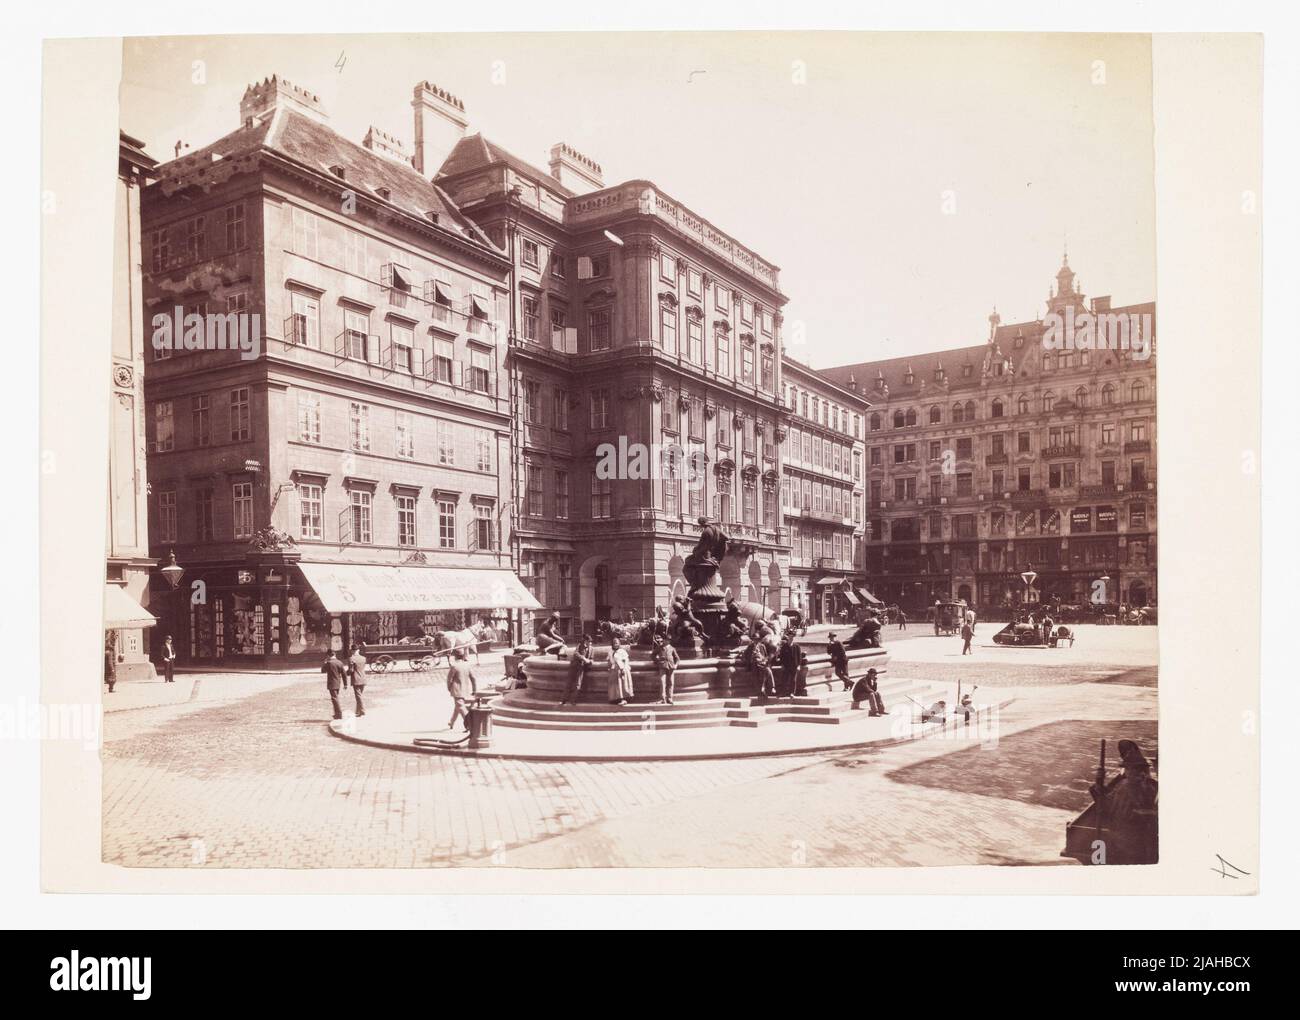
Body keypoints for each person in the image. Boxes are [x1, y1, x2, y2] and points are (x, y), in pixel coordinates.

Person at [446, 647, 477, 730]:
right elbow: (473, 678)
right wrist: (474, 690)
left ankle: (469, 724)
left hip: (456, 690)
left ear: (455, 656)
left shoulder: (454, 666)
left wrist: (449, 688)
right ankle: (451, 722)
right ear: (463, 656)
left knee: (461, 707)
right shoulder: (467, 665)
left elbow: (449, 679)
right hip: (465, 689)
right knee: (458, 706)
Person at [560, 636, 596, 706]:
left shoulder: (592, 649)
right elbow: (576, 654)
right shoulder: (580, 645)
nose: (590, 643)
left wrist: (590, 661)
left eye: (590, 642)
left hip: (581, 668)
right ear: (585, 641)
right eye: (588, 642)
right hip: (574, 666)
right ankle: (563, 700)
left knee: (577, 684)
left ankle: (573, 701)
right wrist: (584, 658)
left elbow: (592, 658)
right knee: (568, 683)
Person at [652, 637, 679, 705]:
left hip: (671, 667)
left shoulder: (672, 648)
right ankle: (662, 699)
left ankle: (670, 698)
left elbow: (677, 658)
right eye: (664, 639)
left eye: (666, 640)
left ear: (669, 641)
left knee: (670, 683)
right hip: (662, 666)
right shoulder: (659, 647)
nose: (664, 641)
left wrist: (676, 665)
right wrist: (657, 661)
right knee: (662, 682)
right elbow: (653, 655)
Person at [607, 637, 633, 705]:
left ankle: (623, 699)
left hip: (622, 669)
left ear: (619, 644)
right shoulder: (610, 651)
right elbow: (609, 660)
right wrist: (609, 665)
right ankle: (615, 698)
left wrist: (623, 668)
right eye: (614, 643)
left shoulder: (622, 651)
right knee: (614, 684)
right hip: (614, 669)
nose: (615, 644)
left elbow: (626, 660)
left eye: (617, 643)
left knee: (622, 684)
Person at [322, 650, 347, 721]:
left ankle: (339, 714)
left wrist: (324, 663)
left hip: (332, 684)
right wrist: (345, 684)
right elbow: (344, 674)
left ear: (328, 655)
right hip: (338, 683)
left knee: (335, 699)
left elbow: (323, 671)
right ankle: (336, 714)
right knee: (335, 698)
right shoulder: (340, 662)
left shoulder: (329, 663)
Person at [348, 643, 368, 717]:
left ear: (352, 651)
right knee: (360, 695)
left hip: (356, 679)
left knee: (358, 696)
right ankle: (357, 711)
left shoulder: (351, 658)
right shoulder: (363, 658)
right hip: (363, 678)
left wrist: (346, 673)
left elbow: (351, 670)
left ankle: (362, 711)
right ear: (358, 650)